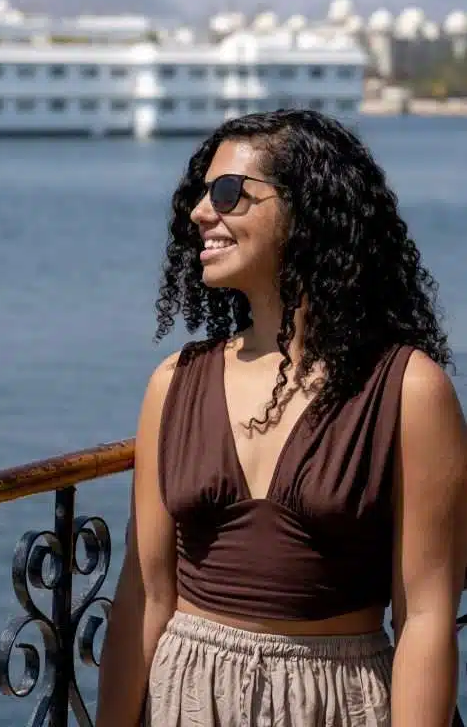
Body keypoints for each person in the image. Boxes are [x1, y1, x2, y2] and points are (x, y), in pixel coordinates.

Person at [96, 109, 467, 727]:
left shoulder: (407, 390)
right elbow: (144, 595)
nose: (198, 213)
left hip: (336, 702)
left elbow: (426, 618)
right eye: (198, 193)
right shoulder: (173, 384)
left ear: (310, 212)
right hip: (187, 701)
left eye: (227, 193)